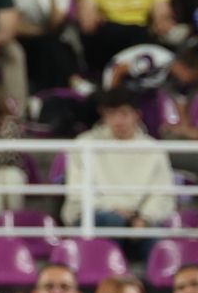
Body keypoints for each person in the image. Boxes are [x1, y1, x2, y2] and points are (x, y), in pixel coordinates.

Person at [62, 90, 176, 258]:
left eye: (124, 113)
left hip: (138, 218)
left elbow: (163, 194)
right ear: (103, 115)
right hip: (94, 214)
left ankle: (149, 283)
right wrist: (114, 209)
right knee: (113, 222)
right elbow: (77, 191)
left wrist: (144, 218)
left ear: (137, 115)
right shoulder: (84, 144)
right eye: (111, 114)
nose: (118, 120)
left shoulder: (153, 149)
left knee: (158, 240)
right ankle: (109, 275)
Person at [8, 0, 82, 94]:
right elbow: (15, 26)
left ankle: (52, 94)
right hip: (26, 43)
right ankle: (71, 82)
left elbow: (56, 23)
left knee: (56, 45)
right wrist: (42, 30)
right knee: (49, 43)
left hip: (52, 42)